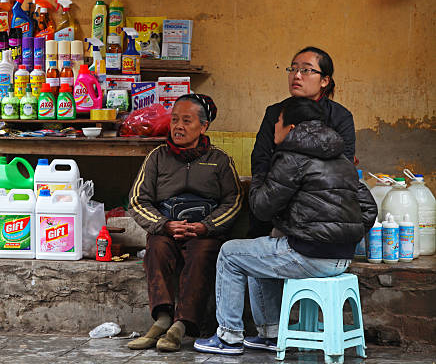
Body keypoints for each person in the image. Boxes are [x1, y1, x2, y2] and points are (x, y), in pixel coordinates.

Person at [194, 97, 377, 356]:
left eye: (277, 122)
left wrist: (260, 175)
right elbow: (370, 209)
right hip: (342, 257)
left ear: (290, 128)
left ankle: (228, 336)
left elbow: (262, 207)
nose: (274, 128)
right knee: (258, 253)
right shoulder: (343, 161)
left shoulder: (292, 158)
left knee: (230, 253)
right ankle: (270, 334)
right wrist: (344, 236)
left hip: (309, 254)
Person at [127, 94, 243, 352]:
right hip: (167, 228)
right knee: (156, 247)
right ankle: (162, 319)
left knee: (203, 253)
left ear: (203, 127)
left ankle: (181, 326)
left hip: (203, 231)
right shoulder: (157, 157)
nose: (178, 126)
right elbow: (137, 201)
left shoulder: (220, 160)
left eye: (187, 121)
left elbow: (233, 201)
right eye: (175, 120)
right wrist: (164, 224)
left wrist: (207, 226)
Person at [248, 46, 356, 239]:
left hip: (320, 209)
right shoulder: (275, 112)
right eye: (293, 69)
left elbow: (344, 167)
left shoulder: (340, 117)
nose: (296, 76)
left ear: (325, 80)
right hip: (274, 202)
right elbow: (261, 159)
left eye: (306, 70)